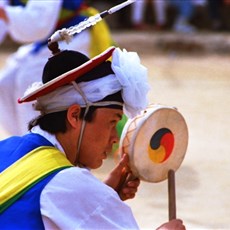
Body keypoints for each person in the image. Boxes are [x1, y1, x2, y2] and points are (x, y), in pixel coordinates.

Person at [0, 44, 186, 229]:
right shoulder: (73, 186)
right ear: (74, 116)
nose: (115, 137)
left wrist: (101, 198)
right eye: (112, 122)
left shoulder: (6, 147)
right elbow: (69, 193)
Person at [0, 0, 114, 136]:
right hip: (45, 39)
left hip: (72, 34)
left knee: (29, 82)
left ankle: (41, 141)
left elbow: (37, 24)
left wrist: (4, 13)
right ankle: (22, 137)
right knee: (6, 81)